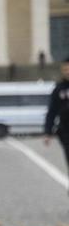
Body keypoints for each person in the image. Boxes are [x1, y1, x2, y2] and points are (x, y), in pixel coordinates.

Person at [44, 56, 69, 195]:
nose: (67, 71)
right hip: (66, 132)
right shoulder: (59, 89)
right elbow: (52, 111)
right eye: (65, 69)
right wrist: (47, 132)